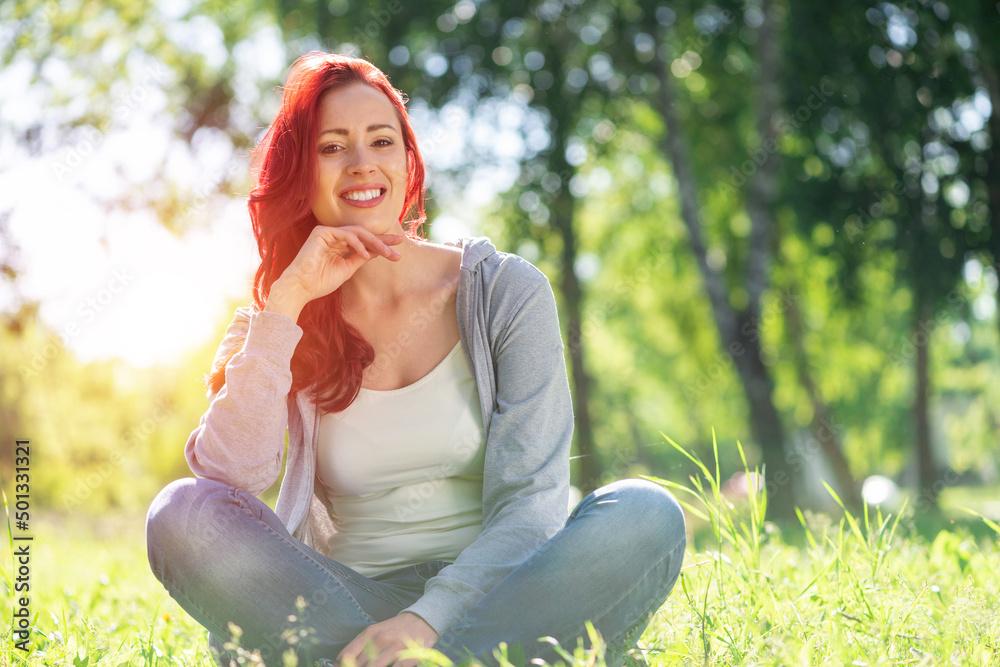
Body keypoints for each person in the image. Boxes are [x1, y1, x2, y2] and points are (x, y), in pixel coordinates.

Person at [145, 51, 686, 667]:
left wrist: (427, 621)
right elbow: (229, 481)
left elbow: (532, 504)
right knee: (181, 514)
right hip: (346, 606)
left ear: (408, 161)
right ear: (301, 171)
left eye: (382, 140)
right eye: (332, 147)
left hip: (501, 594)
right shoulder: (279, 318)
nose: (361, 163)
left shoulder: (505, 292)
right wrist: (288, 302)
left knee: (645, 514)